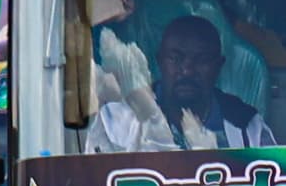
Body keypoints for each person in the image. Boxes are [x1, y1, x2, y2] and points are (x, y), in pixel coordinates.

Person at [96, 12, 271, 152]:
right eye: (175, 58)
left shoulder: (246, 124)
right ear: (160, 62)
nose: (187, 71)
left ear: (218, 66)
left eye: (202, 59)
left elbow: (271, 181)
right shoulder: (122, 119)